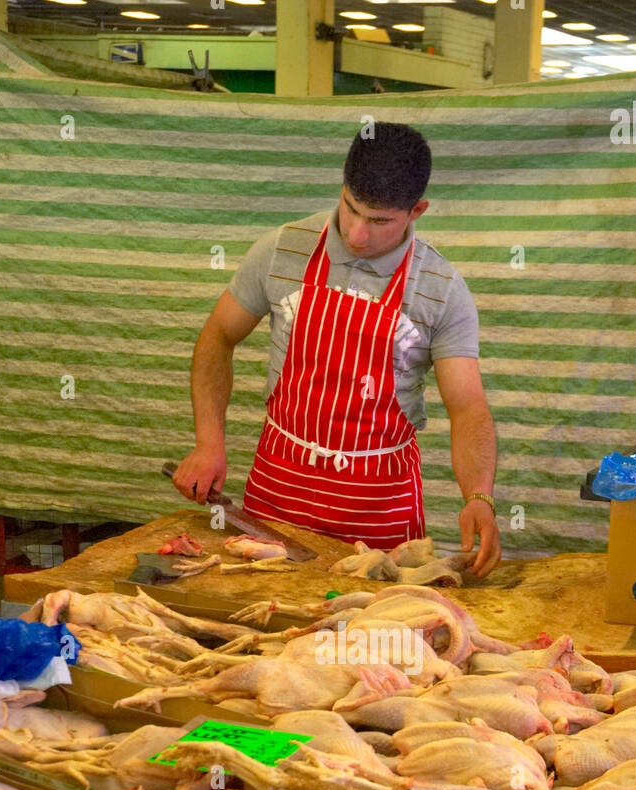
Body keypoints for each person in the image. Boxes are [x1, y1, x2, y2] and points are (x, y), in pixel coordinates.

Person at [172, 121, 501, 577]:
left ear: (416, 210)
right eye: (351, 209)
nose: (358, 233)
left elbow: (467, 406)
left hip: (378, 517)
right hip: (278, 497)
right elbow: (217, 337)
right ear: (343, 188)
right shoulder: (282, 250)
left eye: (380, 220)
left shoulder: (441, 288)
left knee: (372, 639)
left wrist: (479, 496)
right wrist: (209, 443)